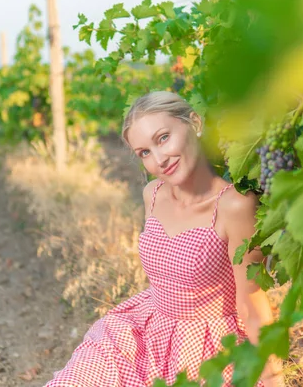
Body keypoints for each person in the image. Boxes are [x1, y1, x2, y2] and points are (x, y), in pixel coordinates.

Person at [45, 91, 284, 387]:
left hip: (210, 350)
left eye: (163, 138)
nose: (159, 159)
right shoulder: (153, 194)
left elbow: (251, 302)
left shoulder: (234, 205)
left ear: (194, 123)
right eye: (144, 152)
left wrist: (274, 379)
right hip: (144, 332)